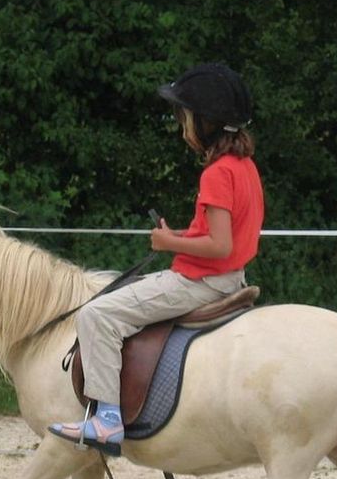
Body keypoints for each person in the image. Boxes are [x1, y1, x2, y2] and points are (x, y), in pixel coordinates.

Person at [48, 62, 264, 456]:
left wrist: (168, 244)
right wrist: (179, 235)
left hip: (200, 283)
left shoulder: (216, 174)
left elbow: (218, 245)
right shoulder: (244, 167)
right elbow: (223, 240)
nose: (183, 126)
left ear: (207, 123)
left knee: (96, 315)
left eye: (187, 117)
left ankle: (107, 421)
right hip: (229, 277)